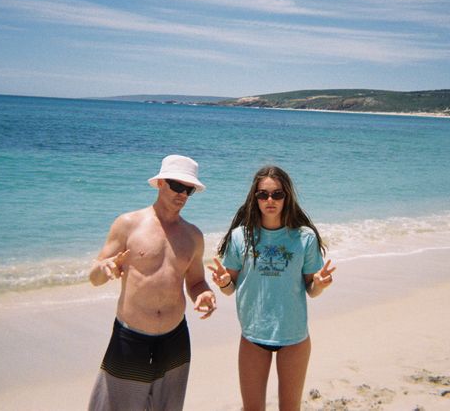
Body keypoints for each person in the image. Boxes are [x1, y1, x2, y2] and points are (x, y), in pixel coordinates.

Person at [88, 154, 216, 411]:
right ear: (160, 183)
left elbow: (196, 282)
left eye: (188, 189)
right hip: (130, 338)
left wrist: (204, 294)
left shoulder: (193, 235)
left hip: (175, 339)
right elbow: (95, 276)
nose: (182, 194)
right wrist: (107, 268)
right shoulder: (128, 224)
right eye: (176, 185)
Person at [208, 165, 336, 411]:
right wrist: (223, 282)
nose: (270, 200)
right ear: (254, 198)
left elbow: (312, 289)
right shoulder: (240, 237)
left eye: (277, 194)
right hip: (253, 335)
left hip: (294, 337)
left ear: (287, 196)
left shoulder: (304, 237)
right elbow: (229, 288)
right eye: (263, 194)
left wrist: (319, 284)